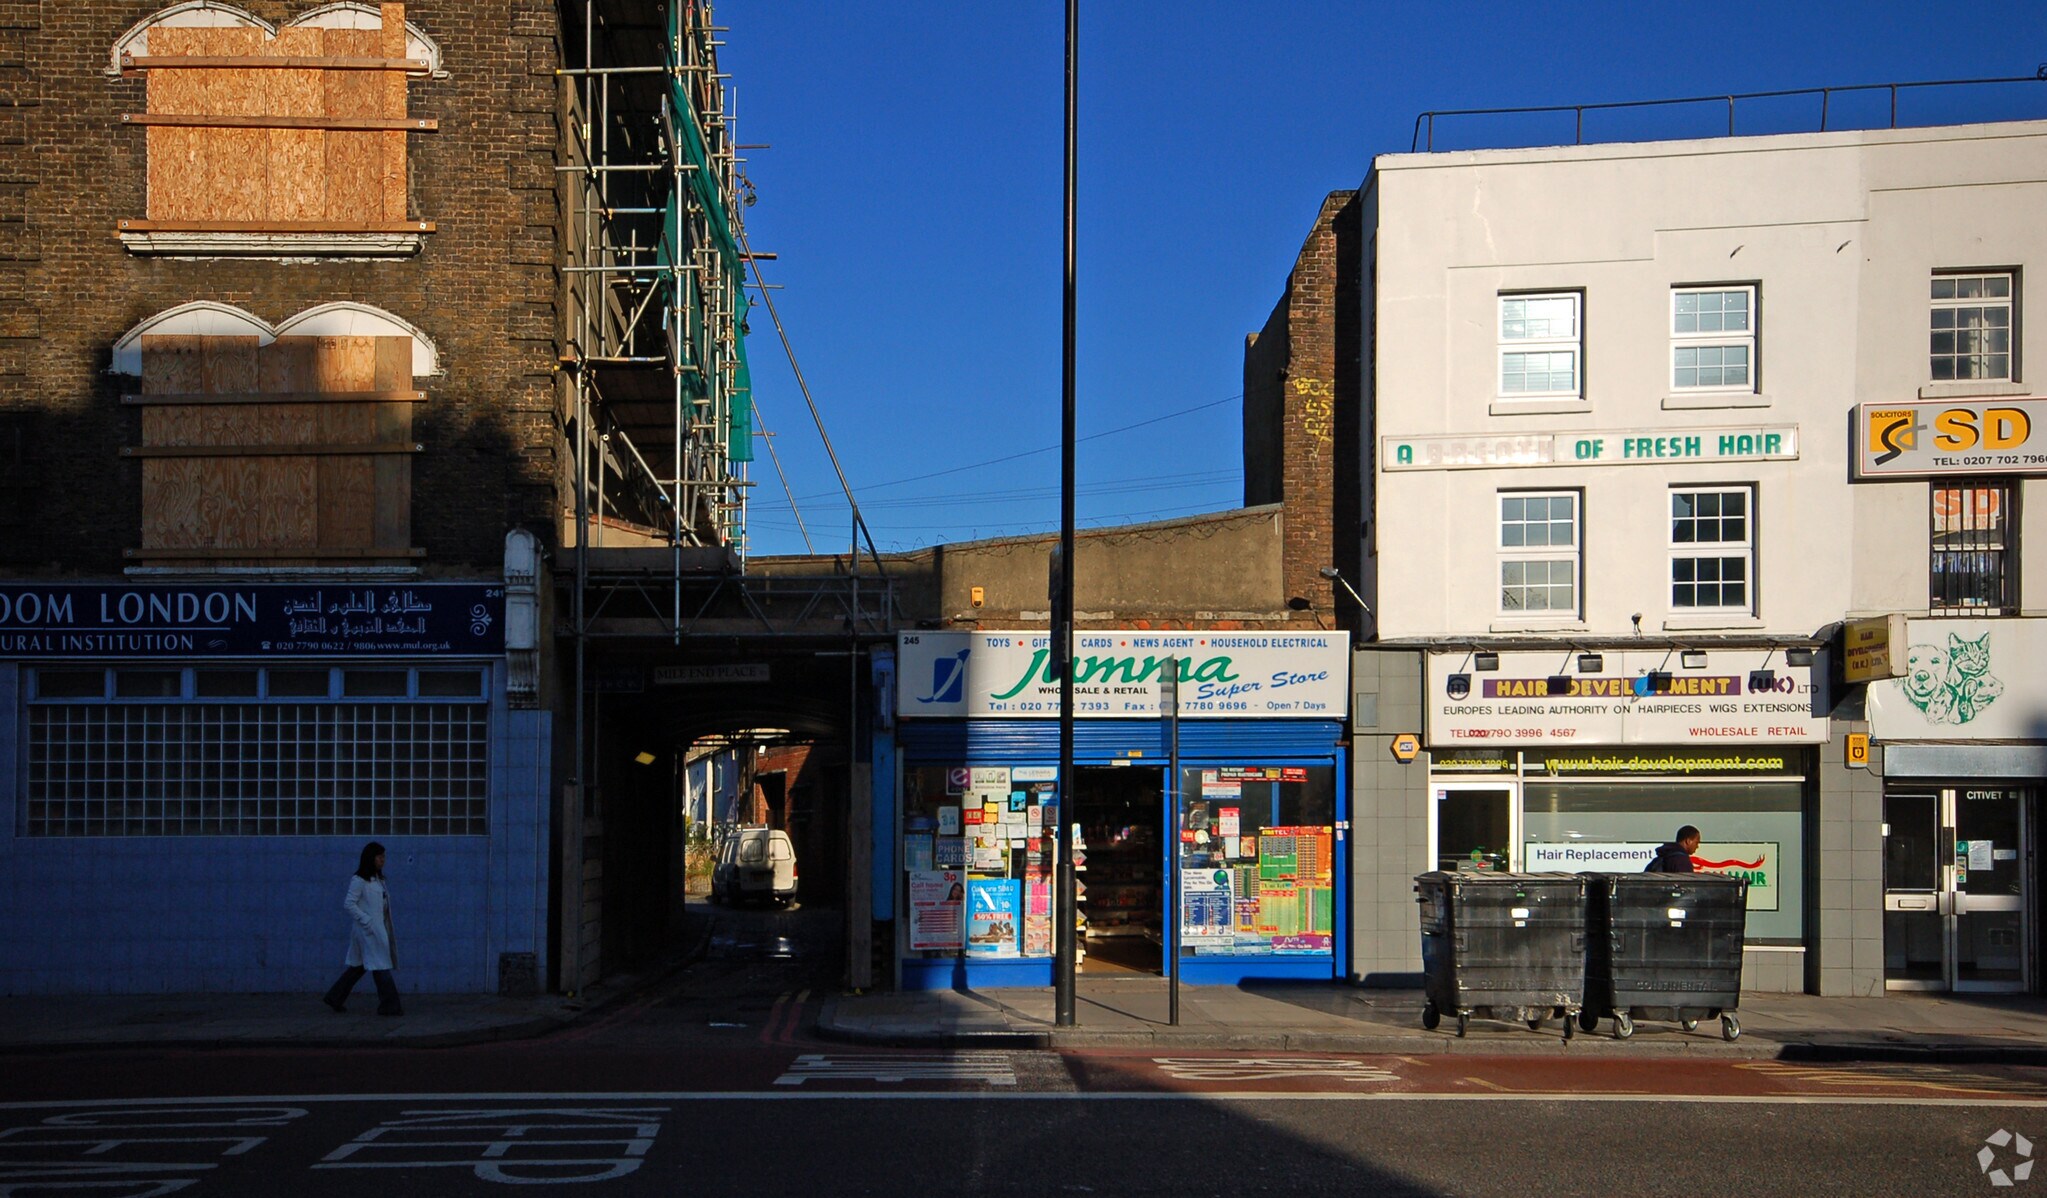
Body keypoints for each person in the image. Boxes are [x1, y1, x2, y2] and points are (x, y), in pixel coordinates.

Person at [322, 842, 403, 1016]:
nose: (383, 860)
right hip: (368, 931)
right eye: (379, 856)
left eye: (384, 857)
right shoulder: (359, 880)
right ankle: (390, 1005)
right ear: (370, 858)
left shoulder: (378, 880)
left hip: (374, 929)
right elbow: (349, 904)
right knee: (381, 965)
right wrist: (366, 920)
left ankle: (335, 997)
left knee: (358, 966)